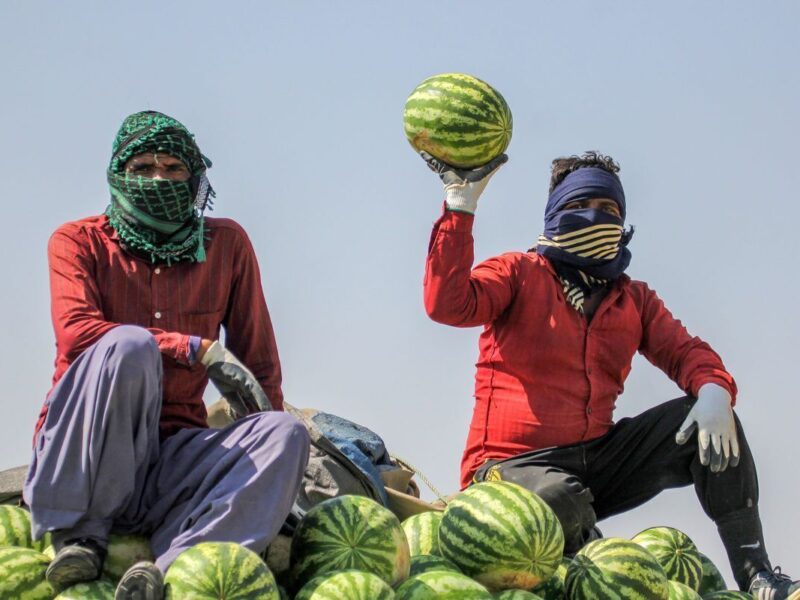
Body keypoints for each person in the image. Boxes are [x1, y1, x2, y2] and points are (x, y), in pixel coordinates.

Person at [420, 150, 799, 599]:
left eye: (610, 211)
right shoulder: (519, 273)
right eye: (583, 207)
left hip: (595, 462)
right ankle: (597, 578)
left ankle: (758, 577)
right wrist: (460, 207)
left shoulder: (632, 300)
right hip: (509, 470)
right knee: (559, 496)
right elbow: (448, 304)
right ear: (557, 212)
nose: (596, 219)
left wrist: (715, 389)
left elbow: (686, 352)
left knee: (716, 426)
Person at [23, 111, 310, 600]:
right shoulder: (78, 241)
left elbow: (259, 365)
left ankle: (172, 566)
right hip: (89, 457)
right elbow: (77, 334)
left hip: (174, 459)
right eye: (143, 168)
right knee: (128, 346)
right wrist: (192, 348)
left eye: (175, 168)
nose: (160, 179)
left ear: (196, 178)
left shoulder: (228, 245)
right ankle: (81, 534)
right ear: (118, 175)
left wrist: (277, 483)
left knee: (287, 433)